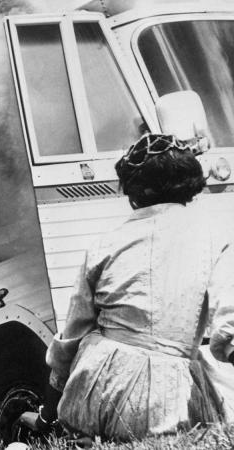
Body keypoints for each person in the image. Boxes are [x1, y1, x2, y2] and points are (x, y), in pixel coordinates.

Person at [20, 133, 234, 441]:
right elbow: (229, 331)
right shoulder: (217, 237)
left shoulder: (102, 245)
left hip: (95, 392)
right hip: (167, 403)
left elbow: (69, 343)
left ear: (132, 192)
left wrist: (46, 418)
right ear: (190, 183)